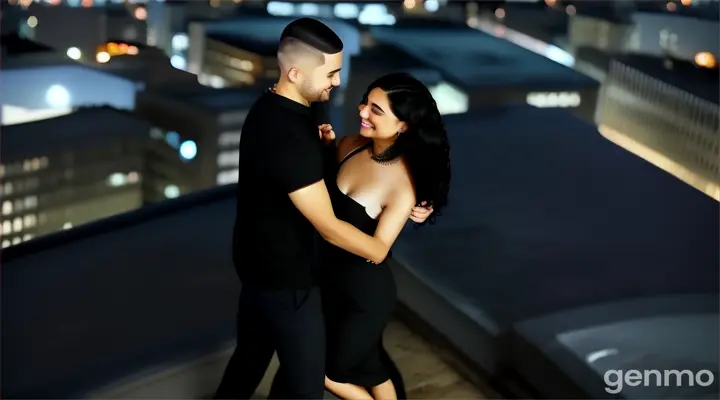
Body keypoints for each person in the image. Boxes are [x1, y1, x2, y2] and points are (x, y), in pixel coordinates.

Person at [214, 19, 433, 400]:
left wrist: (326, 150)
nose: (336, 82)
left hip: (259, 265)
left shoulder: (277, 108)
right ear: (296, 72)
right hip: (288, 280)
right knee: (306, 386)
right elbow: (328, 225)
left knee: (249, 361)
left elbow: (318, 176)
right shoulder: (290, 136)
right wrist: (379, 249)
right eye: (331, 73)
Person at [317, 72, 451, 400]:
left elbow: (378, 250)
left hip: (365, 296)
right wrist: (326, 148)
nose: (362, 111)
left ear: (403, 125)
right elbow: (325, 190)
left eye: (376, 110)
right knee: (372, 368)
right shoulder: (349, 146)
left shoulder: (402, 184)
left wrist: (327, 227)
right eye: (365, 102)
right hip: (330, 283)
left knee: (324, 374)